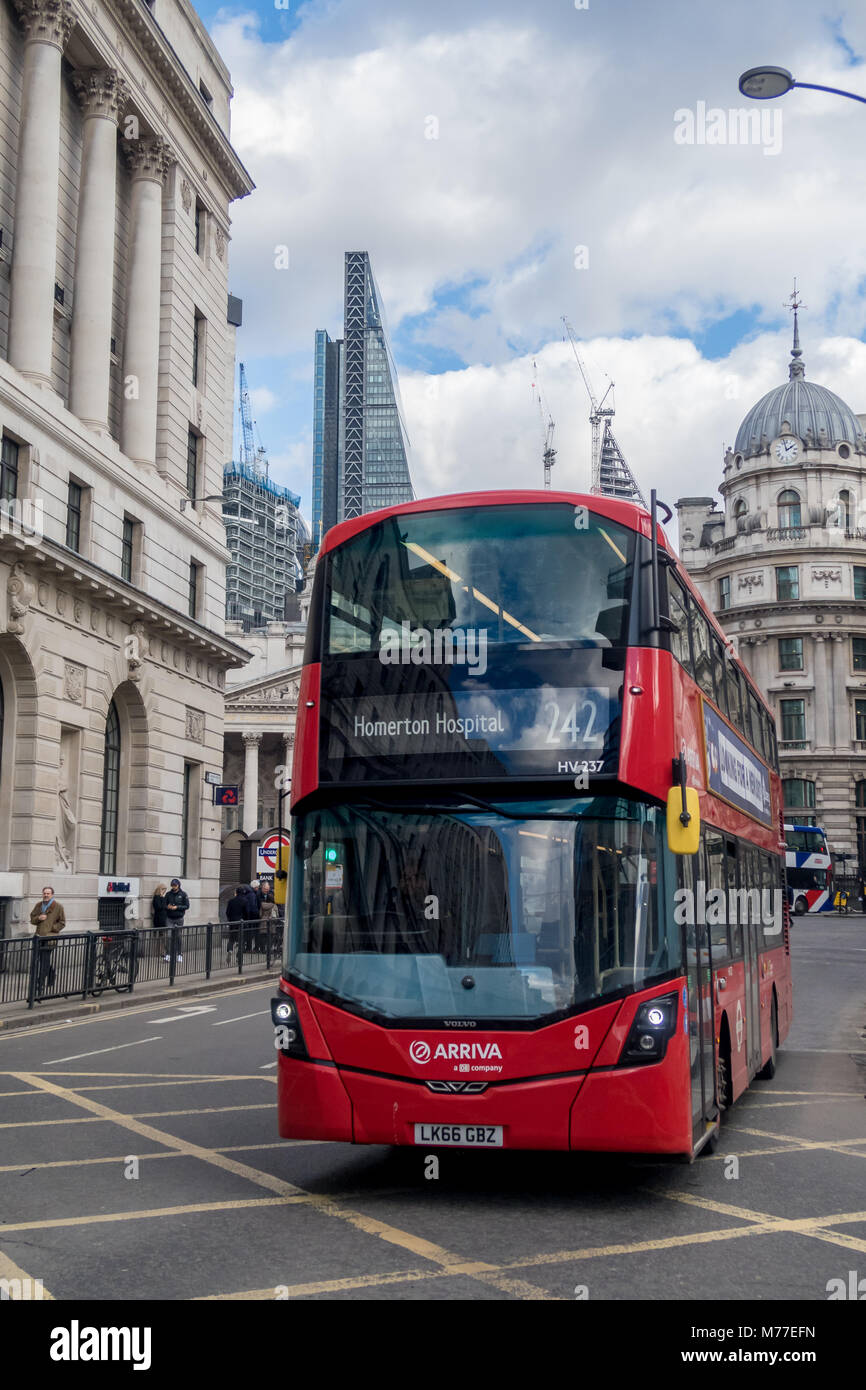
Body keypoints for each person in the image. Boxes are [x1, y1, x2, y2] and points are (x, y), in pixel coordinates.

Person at [29, 886, 66, 998]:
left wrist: (52, 928)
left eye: (48, 893)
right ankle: (51, 974)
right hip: (39, 937)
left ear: (52, 895)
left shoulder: (58, 906)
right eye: (44, 893)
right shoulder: (39, 905)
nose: (46, 895)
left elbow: (62, 923)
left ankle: (40, 985)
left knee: (44, 961)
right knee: (40, 960)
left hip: (49, 939)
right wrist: (38, 919)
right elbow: (32, 918)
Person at [163, 879, 189, 962]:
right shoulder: (168, 894)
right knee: (169, 936)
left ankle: (179, 954)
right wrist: (168, 907)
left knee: (178, 936)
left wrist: (177, 907)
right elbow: (164, 904)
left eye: (175, 885)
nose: (173, 887)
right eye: (172, 885)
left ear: (178, 885)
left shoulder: (183, 894)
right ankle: (168, 954)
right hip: (170, 918)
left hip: (179, 918)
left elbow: (187, 906)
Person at [225, 886, 247, 961]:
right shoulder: (245, 901)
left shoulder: (231, 901)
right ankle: (239, 957)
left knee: (231, 938)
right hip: (241, 922)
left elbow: (227, 912)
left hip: (232, 922)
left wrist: (230, 920)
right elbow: (246, 913)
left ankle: (230, 950)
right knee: (241, 940)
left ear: (236, 892)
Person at [151, 884, 168, 955]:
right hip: (158, 919)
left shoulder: (162, 898)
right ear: (160, 890)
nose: (164, 892)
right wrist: (162, 898)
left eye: (165, 890)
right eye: (163, 890)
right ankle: (159, 952)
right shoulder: (156, 898)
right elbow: (160, 907)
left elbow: (165, 907)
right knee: (159, 936)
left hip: (163, 919)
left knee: (163, 936)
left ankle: (163, 952)